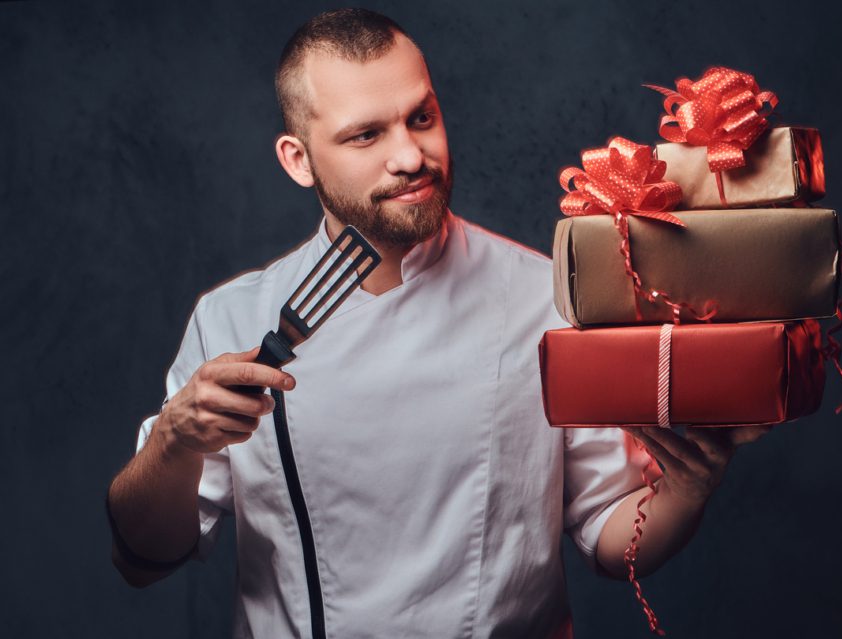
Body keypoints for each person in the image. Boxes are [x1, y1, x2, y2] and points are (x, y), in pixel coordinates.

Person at [106, 9, 770, 638]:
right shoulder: (234, 317)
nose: (410, 156)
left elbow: (608, 533)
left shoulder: (551, 296)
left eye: (420, 117)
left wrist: (686, 487)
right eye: (366, 135)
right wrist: (174, 441)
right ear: (297, 159)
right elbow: (145, 552)